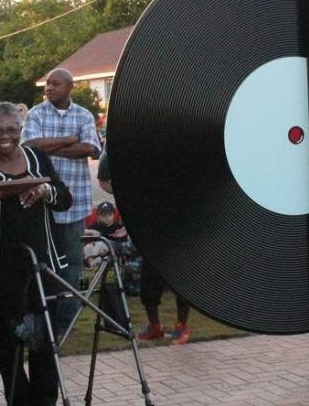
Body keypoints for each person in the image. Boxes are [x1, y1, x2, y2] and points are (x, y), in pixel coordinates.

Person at [0, 102, 72, 406]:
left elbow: (65, 198)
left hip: (43, 266)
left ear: (21, 130)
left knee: (45, 340)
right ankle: (18, 401)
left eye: (12, 130)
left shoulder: (38, 158)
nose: (6, 136)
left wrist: (46, 191)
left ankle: (46, 400)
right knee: (8, 343)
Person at [21, 68, 101, 333]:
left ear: (70, 87)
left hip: (74, 205)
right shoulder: (35, 114)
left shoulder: (84, 115)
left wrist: (50, 147)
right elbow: (31, 146)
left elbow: (90, 149)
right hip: (43, 205)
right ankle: (44, 317)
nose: (49, 88)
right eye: (47, 84)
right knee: (43, 264)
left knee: (72, 263)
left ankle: (64, 322)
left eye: (56, 84)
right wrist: (69, 140)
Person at [98, 148, 192, 343]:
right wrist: (130, 193)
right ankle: (155, 326)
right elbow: (103, 180)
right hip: (148, 222)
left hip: (175, 220)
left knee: (181, 276)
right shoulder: (117, 151)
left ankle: (182, 326)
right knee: (148, 278)